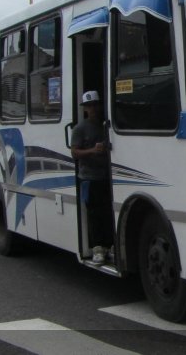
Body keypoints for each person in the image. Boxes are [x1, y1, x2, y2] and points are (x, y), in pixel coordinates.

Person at [71, 91, 114, 264]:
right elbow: (74, 153)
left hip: (105, 176)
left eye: (95, 105)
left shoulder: (106, 126)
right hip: (88, 178)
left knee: (107, 212)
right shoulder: (80, 129)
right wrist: (92, 151)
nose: (93, 109)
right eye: (89, 106)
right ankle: (97, 249)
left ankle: (109, 246)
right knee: (94, 213)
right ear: (85, 109)